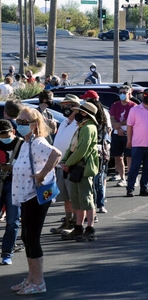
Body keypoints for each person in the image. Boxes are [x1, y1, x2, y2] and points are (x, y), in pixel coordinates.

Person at [10, 107, 62, 295]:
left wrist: (42, 174)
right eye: (19, 121)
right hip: (25, 196)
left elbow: (56, 154)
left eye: (25, 122)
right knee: (26, 237)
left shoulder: (38, 142)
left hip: (36, 196)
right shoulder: (26, 143)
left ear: (35, 124)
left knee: (32, 238)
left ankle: (39, 282)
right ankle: (31, 278)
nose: (20, 125)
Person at [59, 102, 99, 242]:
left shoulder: (89, 128)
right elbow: (72, 147)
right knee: (76, 199)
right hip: (75, 167)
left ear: (85, 114)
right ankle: (78, 228)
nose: (76, 114)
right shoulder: (81, 127)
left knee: (86, 199)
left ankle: (90, 230)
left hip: (84, 167)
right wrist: (65, 161)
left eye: (79, 112)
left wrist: (68, 164)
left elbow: (82, 150)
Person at [48, 95, 80, 235]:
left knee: (74, 196)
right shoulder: (65, 122)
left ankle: (75, 223)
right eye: (63, 105)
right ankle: (68, 220)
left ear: (74, 106)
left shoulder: (79, 123)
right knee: (65, 197)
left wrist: (70, 161)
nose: (64, 108)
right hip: (60, 165)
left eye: (67, 105)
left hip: (71, 164)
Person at [0, 120, 24, 266]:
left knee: (12, 221)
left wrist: (12, 168)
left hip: (15, 185)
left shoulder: (21, 144)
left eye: (5, 134)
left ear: (12, 132)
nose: (3, 137)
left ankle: (7, 253)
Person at [109, 86, 136, 187]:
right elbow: (112, 119)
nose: (122, 94)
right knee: (118, 157)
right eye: (121, 92)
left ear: (129, 94)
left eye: (124, 92)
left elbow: (130, 120)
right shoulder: (115, 105)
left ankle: (132, 177)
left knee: (129, 157)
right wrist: (118, 128)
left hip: (128, 134)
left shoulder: (133, 106)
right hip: (117, 134)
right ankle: (122, 178)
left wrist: (119, 125)